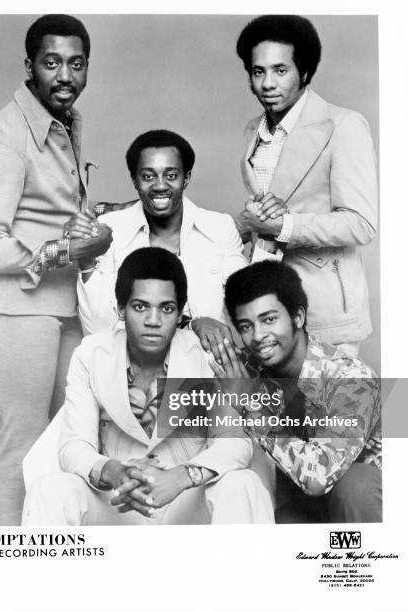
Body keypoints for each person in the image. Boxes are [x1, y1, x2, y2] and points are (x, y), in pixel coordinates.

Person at [0, 14, 112, 525]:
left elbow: (49, 208)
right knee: (25, 442)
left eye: (76, 63)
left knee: (65, 436)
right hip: (13, 308)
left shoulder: (64, 119)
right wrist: (60, 252)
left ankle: (51, 551)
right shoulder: (7, 139)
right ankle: (13, 574)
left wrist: (94, 218)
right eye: (51, 63)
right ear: (29, 66)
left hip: (58, 302)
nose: (65, 76)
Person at [22, 248, 274, 525]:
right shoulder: (91, 355)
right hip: (119, 505)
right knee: (49, 490)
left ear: (180, 314)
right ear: (120, 309)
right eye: (140, 306)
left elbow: (234, 441)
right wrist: (113, 471)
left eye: (166, 309)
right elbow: (74, 446)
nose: (153, 321)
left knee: (243, 483)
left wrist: (182, 477)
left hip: (186, 504)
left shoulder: (204, 357)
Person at [234, 15, 378, 354]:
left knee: (330, 408)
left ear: (305, 72)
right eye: (258, 71)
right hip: (266, 307)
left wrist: (284, 224)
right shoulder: (253, 130)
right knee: (271, 407)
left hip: (324, 310)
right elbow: (259, 216)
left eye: (280, 70)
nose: (268, 83)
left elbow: (361, 223)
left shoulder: (344, 125)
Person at [212, 260, 381, 523]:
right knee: (278, 520)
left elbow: (318, 478)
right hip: (305, 498)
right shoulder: (249, 369)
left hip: (368, 494)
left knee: (354, 487)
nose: (258, 336)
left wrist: (249, 406)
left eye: (269, 319)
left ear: (298, 317)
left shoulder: (350, 378)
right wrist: (196, 324)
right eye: (246, 326)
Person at [66, 129, 250, 359]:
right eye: (148, 176)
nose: (160, 185)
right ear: (134, 180)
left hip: (205, 371)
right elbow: (97, 331)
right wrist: (86, 261)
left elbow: (248, 309)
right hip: (131, 373)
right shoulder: (108, 230)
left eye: (171, 175)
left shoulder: (219, 228)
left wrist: (268, 242)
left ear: (187, 178)